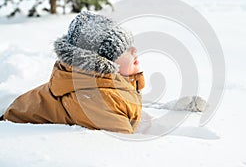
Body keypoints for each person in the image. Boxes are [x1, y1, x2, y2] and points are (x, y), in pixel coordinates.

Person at [1, 11, 144, 134]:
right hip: (13, 132)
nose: (134, 50)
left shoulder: (105, 85)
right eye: (124, 50)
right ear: (102, 63)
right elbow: (120, 142)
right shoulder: (95, 98)